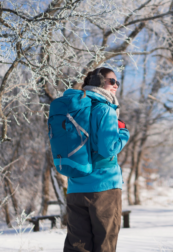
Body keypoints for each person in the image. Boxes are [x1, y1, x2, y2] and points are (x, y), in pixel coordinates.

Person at [64, 67, 129, 252]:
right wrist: (124, 132)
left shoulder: (75, 108)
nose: (116, 85)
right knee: (104, 245)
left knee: (77, 246)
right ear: (100, 82)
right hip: (104, 187)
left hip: (76, 187)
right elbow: (108, 149)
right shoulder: (105, 110)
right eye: (112, 81)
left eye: (117, 81)